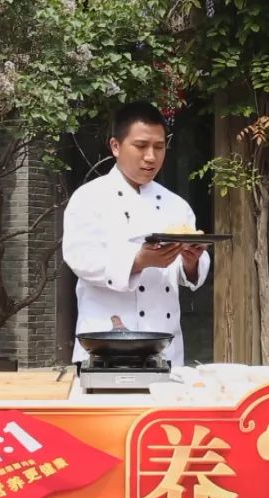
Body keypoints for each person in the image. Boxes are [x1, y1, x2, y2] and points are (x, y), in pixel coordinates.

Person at [63, 101, 210, 367]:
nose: (151, 157)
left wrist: (191, 261)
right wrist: (138, 261)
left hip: (164, 345)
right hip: (105, 341)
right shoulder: (89, 198)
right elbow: (80, 259)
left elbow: (186, 274)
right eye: (141, 146)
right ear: (115, 146)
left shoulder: (177, 205)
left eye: (159, 147)